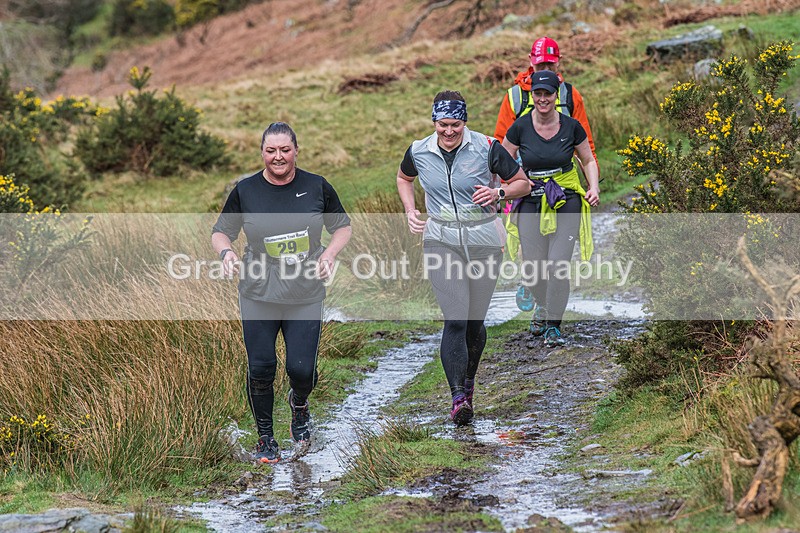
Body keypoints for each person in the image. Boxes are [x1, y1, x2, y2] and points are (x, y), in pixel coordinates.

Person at [212, 122, 351, 463]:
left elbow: (342, 227)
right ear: (262, 152)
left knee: (302, 370)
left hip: (305, 289)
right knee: (261, 367)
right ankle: (265, 438)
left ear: (296, 151)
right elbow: (221, 231)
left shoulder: (316, 186)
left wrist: (329, 255)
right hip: (258, 289)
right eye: (271, 150)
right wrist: (227, 253)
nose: (278, 157)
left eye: (285, 150)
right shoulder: (246, 190)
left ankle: (299, 404)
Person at [397, 90, 530, 425]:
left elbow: (522, 184)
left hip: (484, 239)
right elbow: (404, 178)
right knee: (455, 318)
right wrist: (410, 210)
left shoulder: (487, 148)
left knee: (473, 322)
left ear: (464, 122)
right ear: (434, 122)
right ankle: (458, 399)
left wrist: (498, 192)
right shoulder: (419, 151)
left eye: (455, 124)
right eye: (443, 124)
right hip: (440, 239)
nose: (449, 131)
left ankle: (468, 381)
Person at [502, 70, 599, 347]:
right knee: (533, 268)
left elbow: (588, 160)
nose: (543, 98)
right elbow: (503, 159)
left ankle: (553, 326)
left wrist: (593, 187)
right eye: (538, 93)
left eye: (548, 93)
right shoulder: (520, 127)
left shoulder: (572, 127)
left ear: (556, 96)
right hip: (531, 198)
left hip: (565, 197)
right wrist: (508, 186)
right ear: (532, 95)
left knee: (557, 265)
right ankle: (543, 306)